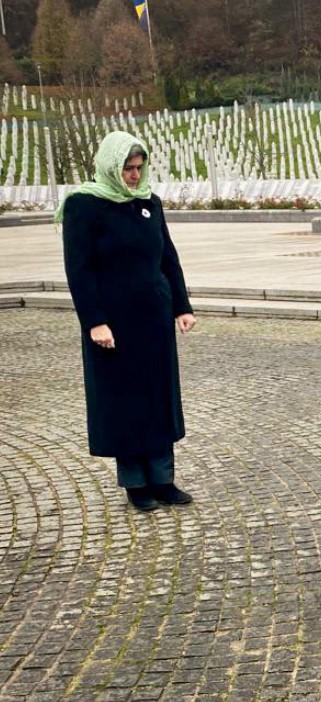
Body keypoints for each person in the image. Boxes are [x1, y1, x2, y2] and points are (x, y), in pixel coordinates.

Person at [58, 131, 197, 512]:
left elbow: (168, 257)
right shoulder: (84, 205)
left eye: (139, 168)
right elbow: (79, 270)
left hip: (153, 319)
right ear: (110, 165)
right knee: (125, 398)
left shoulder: (149, 201)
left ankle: (163, 478)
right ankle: (136, 482)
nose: (134, 176)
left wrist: (181, 307)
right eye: (127, 168)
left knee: (158, 395)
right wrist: (95, 322)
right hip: (113, 325)